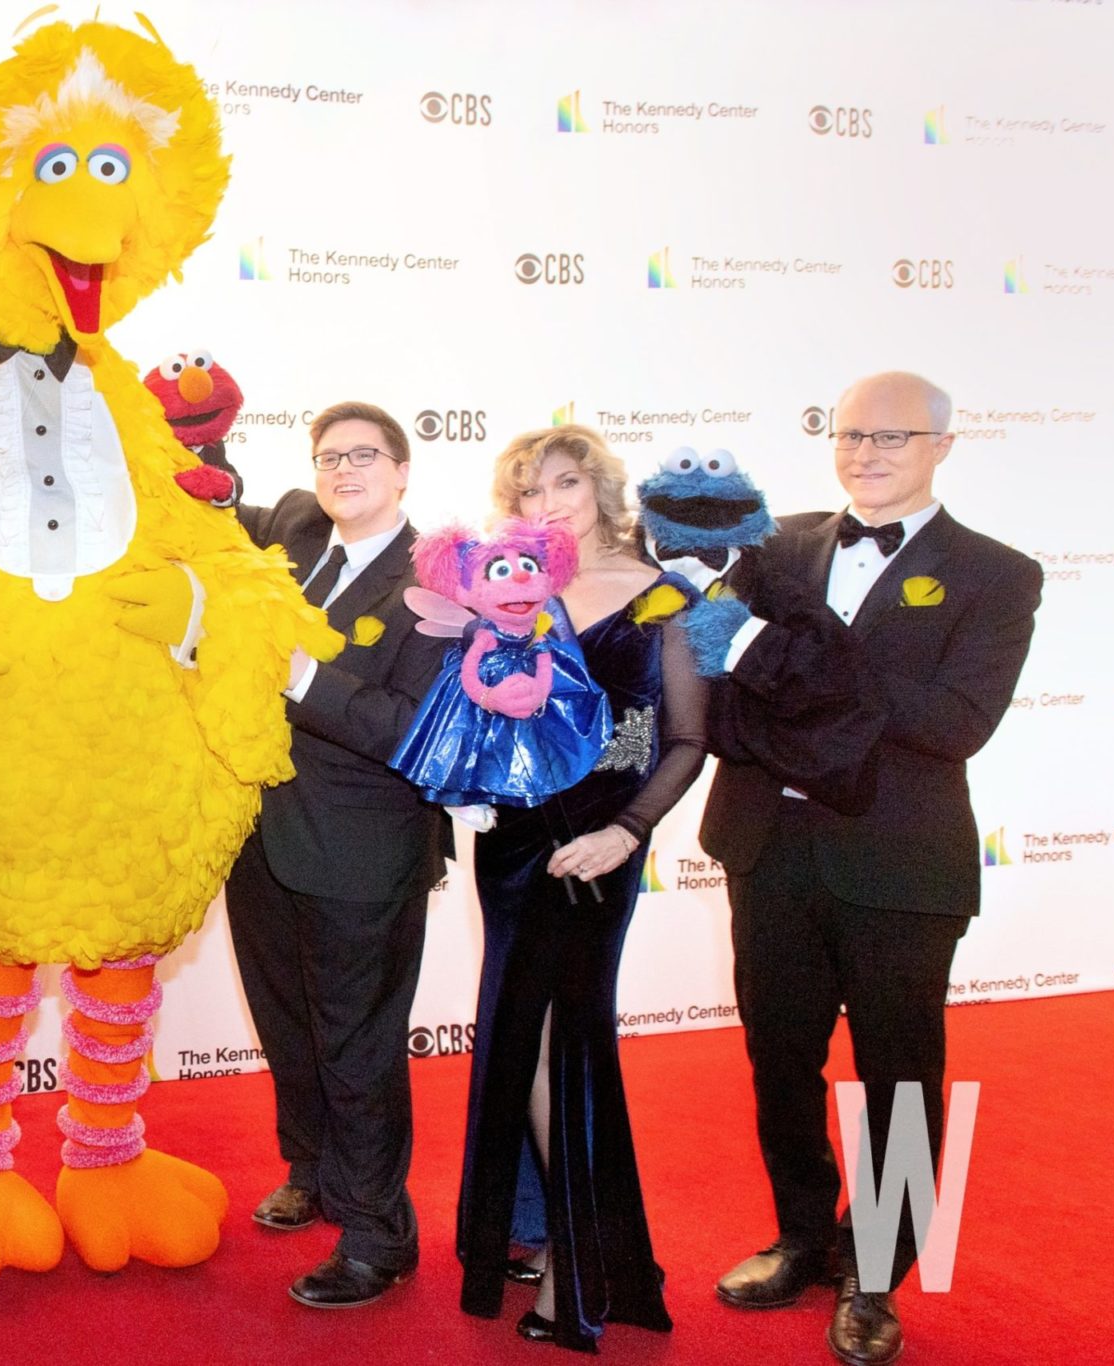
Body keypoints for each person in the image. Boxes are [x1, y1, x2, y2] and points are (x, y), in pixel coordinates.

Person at [703, 372, 1041, 1366]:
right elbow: (714, 667)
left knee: (897, 1076)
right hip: (768, 847)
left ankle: (876, 1272)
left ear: (943, 443)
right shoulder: (774, 546)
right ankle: (801, 1237)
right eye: (846, 433)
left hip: (899, 861)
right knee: (777, 1056)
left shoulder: (997, 572)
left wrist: (796, 666)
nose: (862, 451)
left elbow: (952, 721)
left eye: (889, 435)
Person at [455, 424, 699, 1352]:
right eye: (526, 490)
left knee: (569, 1051)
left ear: (600, 486)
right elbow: (475, 709)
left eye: (562, 482)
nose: (545, 503)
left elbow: (683, 738)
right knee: (520, 1045)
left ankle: (576, 1263)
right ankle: (588, 1249)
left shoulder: (662, 595)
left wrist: (625, 831)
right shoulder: (507, 590)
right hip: (515, 847)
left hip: (597, 851)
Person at [223, 402, 449, 1308]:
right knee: (287, 1022)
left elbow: (415, 729)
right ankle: (311, 1169)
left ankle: (376, 1233)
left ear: (402, 472)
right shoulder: (295, 543)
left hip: (365, 849)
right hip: (264, 841)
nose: (343, 470)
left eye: (364, 455)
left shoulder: (439, 580)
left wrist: (303, 678)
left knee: (358, 1045)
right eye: (328, 457)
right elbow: (214, 506)